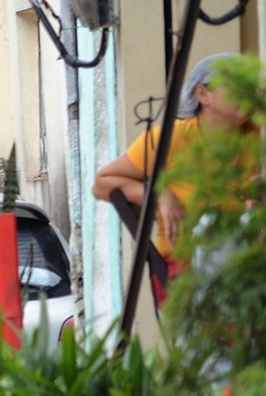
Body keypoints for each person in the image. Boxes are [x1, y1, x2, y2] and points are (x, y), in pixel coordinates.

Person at [91, 53, 254, 301]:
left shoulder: (262, 137)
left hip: (252, 265)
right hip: (187, 271)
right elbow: (102, 185)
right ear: (203, 95)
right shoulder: (169, 139)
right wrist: (158, 194)